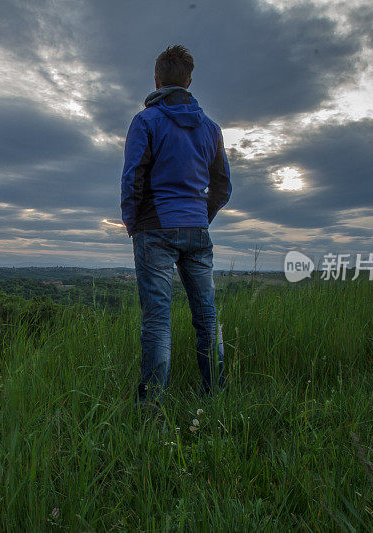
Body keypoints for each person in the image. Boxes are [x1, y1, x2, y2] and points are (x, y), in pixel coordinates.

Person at [120, 44, 231, 408]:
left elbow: (133, 176)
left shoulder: (146, 121)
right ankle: (215, 395)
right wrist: (201, 217)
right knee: (207, 316)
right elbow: (222, 186)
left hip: (156, 230)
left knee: (157, 320)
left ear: (157, 78)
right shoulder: (211, 129)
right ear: (189, 81)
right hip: (197, 230)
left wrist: (133, 223)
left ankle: (151, 406)